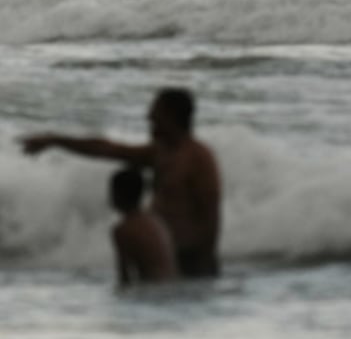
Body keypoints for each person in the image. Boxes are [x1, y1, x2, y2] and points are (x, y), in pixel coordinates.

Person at [22, 87, 221, 278]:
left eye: (156, 112)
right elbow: (106, 149)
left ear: (172, 116)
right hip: (163, 258)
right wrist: (54, 141)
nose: (149, 118)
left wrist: (200, 266)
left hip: (193, 265)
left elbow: (211, 221)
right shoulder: (160, 153)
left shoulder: (199, 159)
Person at [109, 167, 176, 287]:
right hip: (173, 285)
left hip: (151, 290)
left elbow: (125, 278)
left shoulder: (123, 230)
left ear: (119, 194)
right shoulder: (155, 220)